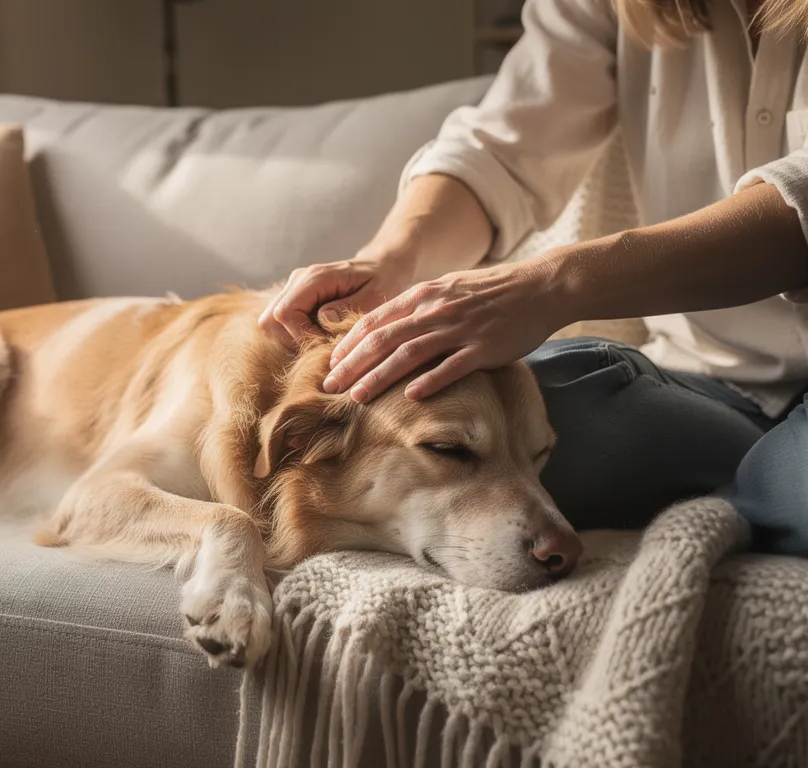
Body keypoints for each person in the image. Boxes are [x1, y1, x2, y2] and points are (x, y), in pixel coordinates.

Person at [258, 0, 808, 556]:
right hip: (708, 384)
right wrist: (389, 260)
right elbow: (506, 146)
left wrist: (553, 284)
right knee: (535, 406)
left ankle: (776, 479)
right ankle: (763, 476)